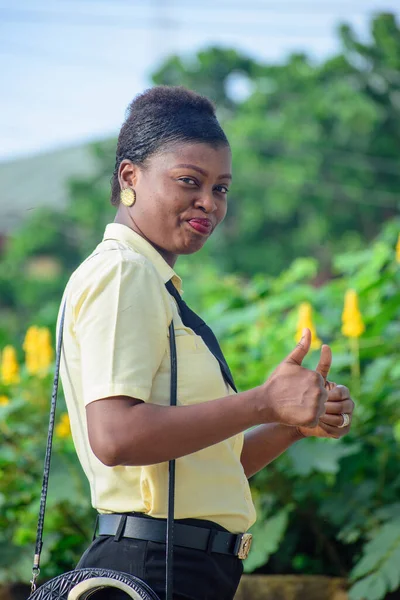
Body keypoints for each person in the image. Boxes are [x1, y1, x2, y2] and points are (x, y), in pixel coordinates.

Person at [58, 85, 354, 600]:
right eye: (189, 182)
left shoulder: (155, 286)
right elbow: (116, 436)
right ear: (129, 177)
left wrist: (292, 422)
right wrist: (262, 399)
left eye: (221, 188)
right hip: (152, 569)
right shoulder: (124, 274)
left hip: (186, 568)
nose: (208, 202)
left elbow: (210, 467)